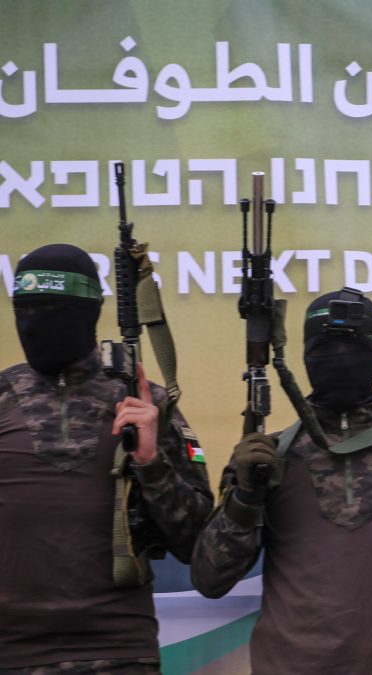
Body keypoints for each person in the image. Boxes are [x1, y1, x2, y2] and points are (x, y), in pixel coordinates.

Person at [190, 287, 372, 674]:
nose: (340, 359)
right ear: (304, 354)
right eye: (326, 347)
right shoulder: (265, 457)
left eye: (353, 345)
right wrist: (244, 498)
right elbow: (210, 579)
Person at [0, 244, 214, 672]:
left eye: (51, 311)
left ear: (89, 312)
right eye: (25, 310)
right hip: (12, 652)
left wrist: (152, 461)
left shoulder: (144, 401)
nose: (34, 324)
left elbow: (199, 543)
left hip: (120, 650)